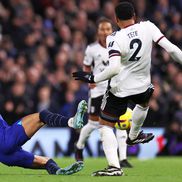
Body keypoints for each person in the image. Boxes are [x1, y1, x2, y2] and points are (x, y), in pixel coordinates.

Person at [73, 2, 182, 176]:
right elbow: (172, 49)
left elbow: (114, 68)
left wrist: (93, 77)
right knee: (143, 104)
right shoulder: (148, 27)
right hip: (143, 86)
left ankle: (115, 167)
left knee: (105, 125)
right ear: (134, 16)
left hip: (120, 89)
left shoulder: (114, 38)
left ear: (116, 20)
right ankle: (134, 135)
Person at [75, 18, 132, 168]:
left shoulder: (118, 44)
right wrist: (89, 81)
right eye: (102, 29)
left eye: (108, 29)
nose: (105, 32)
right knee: (93, 124)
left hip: (115, 89)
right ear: (98, 32)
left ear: (111, 30)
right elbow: (86, 66)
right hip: (98, 90)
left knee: (119, 123)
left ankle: (123, 158)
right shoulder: (92, 49)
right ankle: (79, 147)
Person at [0, 100, 88, 175]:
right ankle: (71, 122)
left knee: (47, 162)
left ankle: (58, 171)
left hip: (5, 157)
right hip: (6, 139)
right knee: (42, 116)